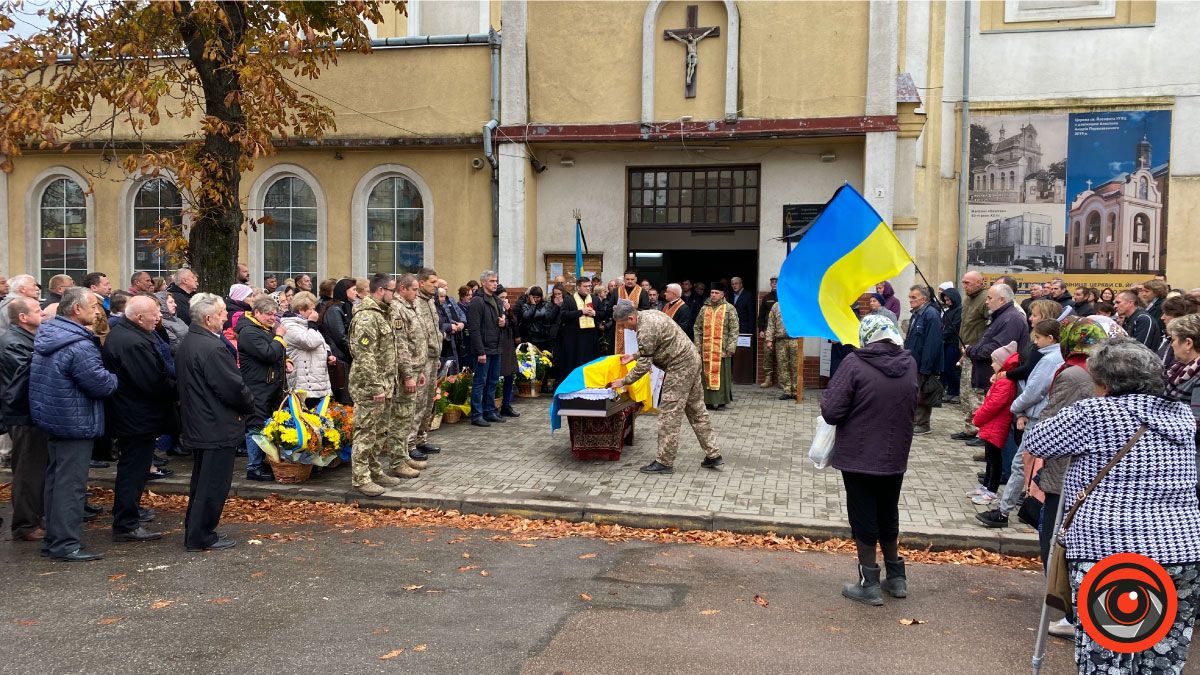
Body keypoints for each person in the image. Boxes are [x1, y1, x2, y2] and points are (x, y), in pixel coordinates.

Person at [1025, 337, 1200, 671]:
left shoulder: (1096, 412)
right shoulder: (1180, 414)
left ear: (1103, 382)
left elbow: (1038, 441)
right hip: (1182, 551)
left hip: (1113, 552)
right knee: (1163, 655)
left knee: (1107, 657)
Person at [820, 315, 917, 606]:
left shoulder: (854, 363)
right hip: (895, 453)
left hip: (859, 455)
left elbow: (832, 411)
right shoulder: (909, 363)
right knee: (888, 512)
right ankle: (897, 578)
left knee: (863, 516)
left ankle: (869, 583)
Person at [1028, 317, 1107, 639]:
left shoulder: (1074, 374)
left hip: (1067, 471)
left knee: (1056, 538)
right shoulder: (1099, 371)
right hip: (1095, 473)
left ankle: (1073, 610)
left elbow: (1048, 424)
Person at [31, 288, 118, 561]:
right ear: (76, 309)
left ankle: (54, 539)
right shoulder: (79, 344)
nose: (97, 310)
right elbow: (100, 383)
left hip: (56, 417)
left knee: (57, 481)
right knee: (70, 485)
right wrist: (115, 378)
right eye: (93, 305)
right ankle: (65, 544)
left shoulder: (51, 334)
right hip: (74, 420)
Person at [607, 302, 723, 475]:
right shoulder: (650, 315)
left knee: (669, 414)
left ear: (631, 318)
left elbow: (644, 366)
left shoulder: (644, 329)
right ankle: (713, 454)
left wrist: (623, 381)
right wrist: (633, 356)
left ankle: (664, 462)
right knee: (697, 410)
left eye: (624, 325)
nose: (626, 329)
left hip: (680, 368)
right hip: (691, 360)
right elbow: (656, 345)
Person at [177, 294, 252, 551]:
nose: (226, 318)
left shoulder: (192, 340)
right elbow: (233, 388)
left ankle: (196, 529)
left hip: (202, 422)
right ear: (208, 319)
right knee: (212, 484)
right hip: (215, 424)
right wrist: (249, 404)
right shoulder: (212, 347)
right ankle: (201, 535)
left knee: (202, 481)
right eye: (222, 314)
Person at [976, 318, 1063, 528]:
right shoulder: (1054, 356)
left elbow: (1035, 389)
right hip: (1037, 414)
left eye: (1039, 338)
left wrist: (1017, 408)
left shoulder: (1050, 359)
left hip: (1037, 417)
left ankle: (1004, 512)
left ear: (1050, 338)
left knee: (1019, 464)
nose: (1036, 342)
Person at [102, 296, 176, 543]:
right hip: (135, 416)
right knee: (133, 469)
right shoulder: (131, 341)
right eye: (154, 314)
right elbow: (152, 382)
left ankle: (129, 513)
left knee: (134, 468)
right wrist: (179, 388)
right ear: (137, 317)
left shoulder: (130, 334)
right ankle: (126, 523)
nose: (158, 318)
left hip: (135, 414)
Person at [1, 297, 46, 542]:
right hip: (23, 416)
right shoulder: (13, 343)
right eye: (38, 311)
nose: (43, 314)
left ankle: (35, 518)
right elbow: (29, 376)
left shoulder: (27, 338)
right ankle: (25, 525)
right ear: (23, 317)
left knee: (37, 470)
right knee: (28, 471)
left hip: (31, 414)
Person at [237, 295, 290, 482]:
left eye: (275, 315)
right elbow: (268, 354)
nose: (272, 318)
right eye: (268, 314)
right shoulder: (249, 332)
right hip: (257, 386)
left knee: (266, 424)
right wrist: (280, 336)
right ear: (257, 313)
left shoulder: (264, 329)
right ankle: (254, 467)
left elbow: (276, 354)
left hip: (270, 386)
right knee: (255, 426)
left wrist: (286, 362)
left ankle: (265, 461)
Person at [969, 344, 1019, 506]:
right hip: (992, 425)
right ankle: (986, 487)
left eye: (995, 362)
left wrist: (978, 418)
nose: (991, 365)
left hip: (996, 425)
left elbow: (993, 405)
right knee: (990, 458)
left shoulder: (1005, 383)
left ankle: (991, 491)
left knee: (995, 459)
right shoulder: (1001, 380)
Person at [389, 274, 425, 478]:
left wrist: (419, 370)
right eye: (414, 289)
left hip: (417, 367)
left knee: (408, 416)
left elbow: (419, 337)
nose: (417, 293)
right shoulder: (397, 308)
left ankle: (403, 456)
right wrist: (408, 374)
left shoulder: (412, 305)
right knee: (401, 418)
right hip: (406, 370)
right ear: (402, 288)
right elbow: (401, 344)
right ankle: (397, 460)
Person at [406, 268, 444, 458]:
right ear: (421, 283)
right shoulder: (415, 302)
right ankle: (410, 442)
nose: (436, 285)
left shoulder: (430, 302)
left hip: (433, 357)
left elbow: (434, 328)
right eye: (433, 282)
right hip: (421, 360)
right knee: (418, 402)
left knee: (429, 401)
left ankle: (421, 438)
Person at [954, 270, 990, 442]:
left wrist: (977, 347)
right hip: (966, 351)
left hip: (977, 352)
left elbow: (989, 327)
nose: (964, 286)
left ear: (979, 282)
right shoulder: (968, 299)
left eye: (967, 283)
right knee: (966, 392)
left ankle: (979, 430)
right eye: (963, 282)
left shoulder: (985, 299)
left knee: (976, 393)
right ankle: (969, 427)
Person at [467, 270, 505, 427]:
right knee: (480, 382)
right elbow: (474, 328)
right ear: (483, 283)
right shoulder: (477, 301)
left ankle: (490, 411)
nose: (495, 283)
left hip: (496, 347)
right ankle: (477, 414)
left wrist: (504, 323)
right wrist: (480, 351)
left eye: (496, 280)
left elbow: (500, 322)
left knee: (493, 381)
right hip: (484, 349)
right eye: (491, 281)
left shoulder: (497, 300)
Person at [281, 291, 332, 405]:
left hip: (318, 381)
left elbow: (321, 342)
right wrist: (312, 324)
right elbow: (310, 342)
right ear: (301, 309)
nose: (314, 312)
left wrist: (328, 354)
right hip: (304, 383)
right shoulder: (290, 325)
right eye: (311, 309)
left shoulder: (307, 324)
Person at [694, 282, 739, 410]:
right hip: (706, 349)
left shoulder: (729, 308)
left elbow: (734, 329)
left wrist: (731, 346)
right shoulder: (704, 308)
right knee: (706, 375)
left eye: (716, 293)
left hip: (722, 349)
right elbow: (697, 327)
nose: (713, 295)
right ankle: (707, 401)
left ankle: (721, 401)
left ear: (722, 294)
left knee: (722, 376)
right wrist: (698, 345)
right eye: (712, 293)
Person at [1164, 315, 1200, 473]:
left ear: (1188, 343)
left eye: (1172, 339)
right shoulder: (1181, 369)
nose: (1171, 344)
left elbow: (1196, 426)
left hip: (1191, 464)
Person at [905, 285, 943, 435]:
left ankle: (922, 424)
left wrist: (926, 367)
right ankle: (915, 421)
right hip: (913, 361)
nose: (910, 300)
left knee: (923, 393)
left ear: (924, 298)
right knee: (915, 392)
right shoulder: (917, 314)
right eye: (910, 297)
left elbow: (932, 344)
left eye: (914, 297)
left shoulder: (931, 315)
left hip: (923, 363)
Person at [319, 278, 357, 404]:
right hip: (340, 358)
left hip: (346, 357)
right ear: (344, 291)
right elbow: (340, 337)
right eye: (354, 290)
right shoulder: (335, 309)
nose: (356, 293)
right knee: (344, 398)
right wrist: (355, 351)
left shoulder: (346, 307)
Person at [557, 277, 600, 382]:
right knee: (573, 361)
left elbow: (603, 313)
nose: (588, 288)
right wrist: (581, 312)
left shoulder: (595, 299)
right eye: (585, 286)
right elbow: (563, 315)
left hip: (590, 337)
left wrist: (594, 313)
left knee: (590, 361)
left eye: (589, 286)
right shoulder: (569, 299)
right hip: (574, 338)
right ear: (578, 287)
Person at [496, 285, 521, 418]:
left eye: (506, 298)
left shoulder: (507, 309)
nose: (504, 300)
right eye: (501, 298)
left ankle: (506, 405)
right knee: (496, 376)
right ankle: (493, 406)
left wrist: (509, 310)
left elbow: (514, 322)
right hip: (498, 344)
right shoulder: (493, 308)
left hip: (508, 344)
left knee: (510, 375)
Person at [764, 301, 797, 400]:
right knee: (782, 366)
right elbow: (771, 323)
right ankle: (787, 390)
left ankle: (796, 391)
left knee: (796, 366)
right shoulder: (776, 306)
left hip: (795, 340)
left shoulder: (797, 302)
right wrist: (769, 339)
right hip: (780, 340)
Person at [939, 284, 963, 405]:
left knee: (951, 367)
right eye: (945, 300)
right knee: (945, 368)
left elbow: (954, 327)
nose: (947, 302)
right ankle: (950, 391)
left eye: (949, 300)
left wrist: (942, 335)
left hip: (953, 342)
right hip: (945, 342)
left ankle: (956, 392)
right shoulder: (948, 311)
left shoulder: (959, 311)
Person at [756, 276, 779, 388]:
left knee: (781, 356)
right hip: (767, 331)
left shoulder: (784, 297)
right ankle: (768, 379)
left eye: (776, 282)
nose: (774, 284)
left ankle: (782, 381)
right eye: (773, 282)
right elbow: (761, 316)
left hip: (780, 331)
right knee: (767, 355)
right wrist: (761, 329)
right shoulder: (766, 298)